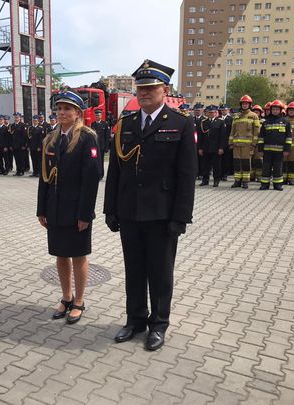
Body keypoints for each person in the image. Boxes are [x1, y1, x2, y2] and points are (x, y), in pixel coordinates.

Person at [104, 60, 197, 351]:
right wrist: (110, 209)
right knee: (134, 270)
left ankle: (158, 324)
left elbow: (187, 175)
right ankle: (135, 320)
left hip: (162, 214)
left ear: (164, 90)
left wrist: (181, 217)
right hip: (130, 211)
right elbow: (115, 170)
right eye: (140, 88)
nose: (144, 93)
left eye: (151, 88)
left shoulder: (181, 123)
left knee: (160, 273)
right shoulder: (126, 123)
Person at [37, 90, 101, 325]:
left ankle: (79, 301)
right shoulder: (51, 138)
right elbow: (44, 176)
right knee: (60, 254)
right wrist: (41, 209)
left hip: (76, 210)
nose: (62, 112)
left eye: (67, 109)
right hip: (54, 208)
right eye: (59, 108)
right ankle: (66, 297)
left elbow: (92, 178)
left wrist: (85, 214)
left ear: (78, 113)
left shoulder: (87, 138)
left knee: (78, 255)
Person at [257, 100, 292, 191]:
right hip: (267, 151)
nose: (275, 111)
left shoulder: (286, 122)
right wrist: (260, 150)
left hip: (279, 151)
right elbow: (261, 137)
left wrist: (287, 149)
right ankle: (265, 184)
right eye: (273, 109)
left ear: (280, 110)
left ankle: (278, 185)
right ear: (271, 110)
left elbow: (288, 137)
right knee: (266, 168)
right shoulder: (266, 122)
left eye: (277, 109)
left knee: (278, 168)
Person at [228, 95, 261, 189]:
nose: (244, 105)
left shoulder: (254, 116)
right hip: (236, 145)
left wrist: (254, 144)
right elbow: (232, 131)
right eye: (243, 104)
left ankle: (245, 181)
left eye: (246, 104)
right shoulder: (236, 116)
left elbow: (256, 132)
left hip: (248, 145)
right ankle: (237, 181)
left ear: (249, 105)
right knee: (237, 163)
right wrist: (230, 142)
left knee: (246, 163)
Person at [197, 105, 227, 187]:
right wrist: (200, 148)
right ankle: (205, 180)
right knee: (205, 165)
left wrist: (221, 147)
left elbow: (223, 136)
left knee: (216, 165)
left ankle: (216, 180)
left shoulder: (220, 122)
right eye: (209, 112)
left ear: (216, 113)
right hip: (206, 147)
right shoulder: (203, 122)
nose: (210, 114)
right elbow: (200, 136)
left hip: (216, 148)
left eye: (212, 112)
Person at [90, 109, 111, 179]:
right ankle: (95, 174)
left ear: (101, 116)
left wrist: (107, 147)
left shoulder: (105, 124)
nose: (97, 116)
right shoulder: (93, 124)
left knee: (101, 160)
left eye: (98, 115)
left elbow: (107, 136)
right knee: (94, 160)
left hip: (102, 146)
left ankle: (101, 174)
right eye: (96, 115)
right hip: (94, 146)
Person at [250, 105, 265, 182]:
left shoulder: (263, 122)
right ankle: (252, 176)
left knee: (259, 160)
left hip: (259, 144)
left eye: (257, 112)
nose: (256, 113)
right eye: (254, 112)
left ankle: (259, 176)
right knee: (251, 160)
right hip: (251, 143)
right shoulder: (250, 121)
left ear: (260, 113)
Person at [219, 104, 233, 181]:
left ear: (228, 110)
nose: (223, 111)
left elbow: (232, 131)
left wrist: (231, 142)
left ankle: (225, 174)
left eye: (225, 110)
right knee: (219, 159)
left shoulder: (231, 119)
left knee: (226, 159)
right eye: (222, 110)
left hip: (227, 141)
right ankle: (220, 174)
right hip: (220, 141)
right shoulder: (218, 118)